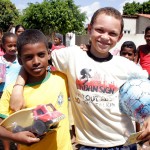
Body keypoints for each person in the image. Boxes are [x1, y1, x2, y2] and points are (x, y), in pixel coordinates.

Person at [10, 7, 150, 150]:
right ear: (89, 29)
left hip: (123, 142)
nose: (105, 37)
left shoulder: (126, 66)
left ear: (119, 37)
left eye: (112, 33)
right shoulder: (71, 56)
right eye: (100, 30)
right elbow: (35, 62)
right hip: (88, 145)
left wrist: (149, 117)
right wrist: (18, 87)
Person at [0, 29, 72, 150]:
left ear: (49, 54)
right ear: (20, 60)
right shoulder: (11, 91)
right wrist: (15, 137)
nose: (36, 62)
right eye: (28, 57)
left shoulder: (62, 79)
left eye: (41, 55)